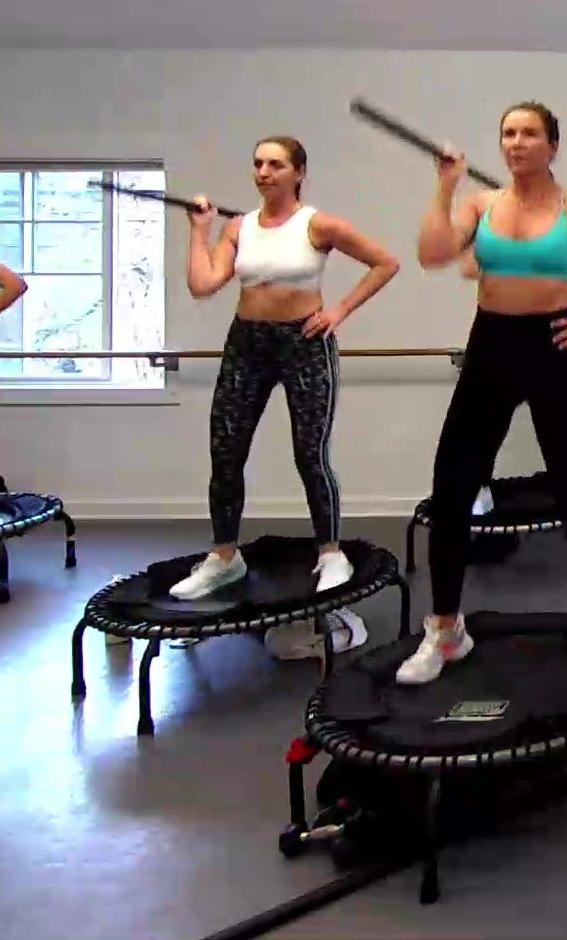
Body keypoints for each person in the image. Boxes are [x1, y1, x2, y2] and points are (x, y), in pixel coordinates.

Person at [397, 101, 567, 686]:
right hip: (490, 345)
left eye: (529, 133)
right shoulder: (480, 205)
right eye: (508, 133)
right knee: (452, 487)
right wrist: (445, 187)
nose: (516, 142)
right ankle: (446, 628)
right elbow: (432, 255)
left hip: (553, 346)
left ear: (552, 145)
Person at [177, 136, 400, 658]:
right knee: (226, 452)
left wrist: (338, 311)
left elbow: (385, 262)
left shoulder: (317, 225)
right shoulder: (239, 227)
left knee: (310, 454)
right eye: (258, 163)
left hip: (304, 343)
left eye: (275, 164)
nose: (263, 172)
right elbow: (203, 283)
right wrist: (199, 231)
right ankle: (224, 556)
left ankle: (331, 553)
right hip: (247, 344)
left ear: (298, 172)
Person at [457, 239, 567, 517]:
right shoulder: (499, 227)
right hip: (501, 335)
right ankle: (477, 488)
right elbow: (469, 269)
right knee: (484, 419)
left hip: (551, 335)